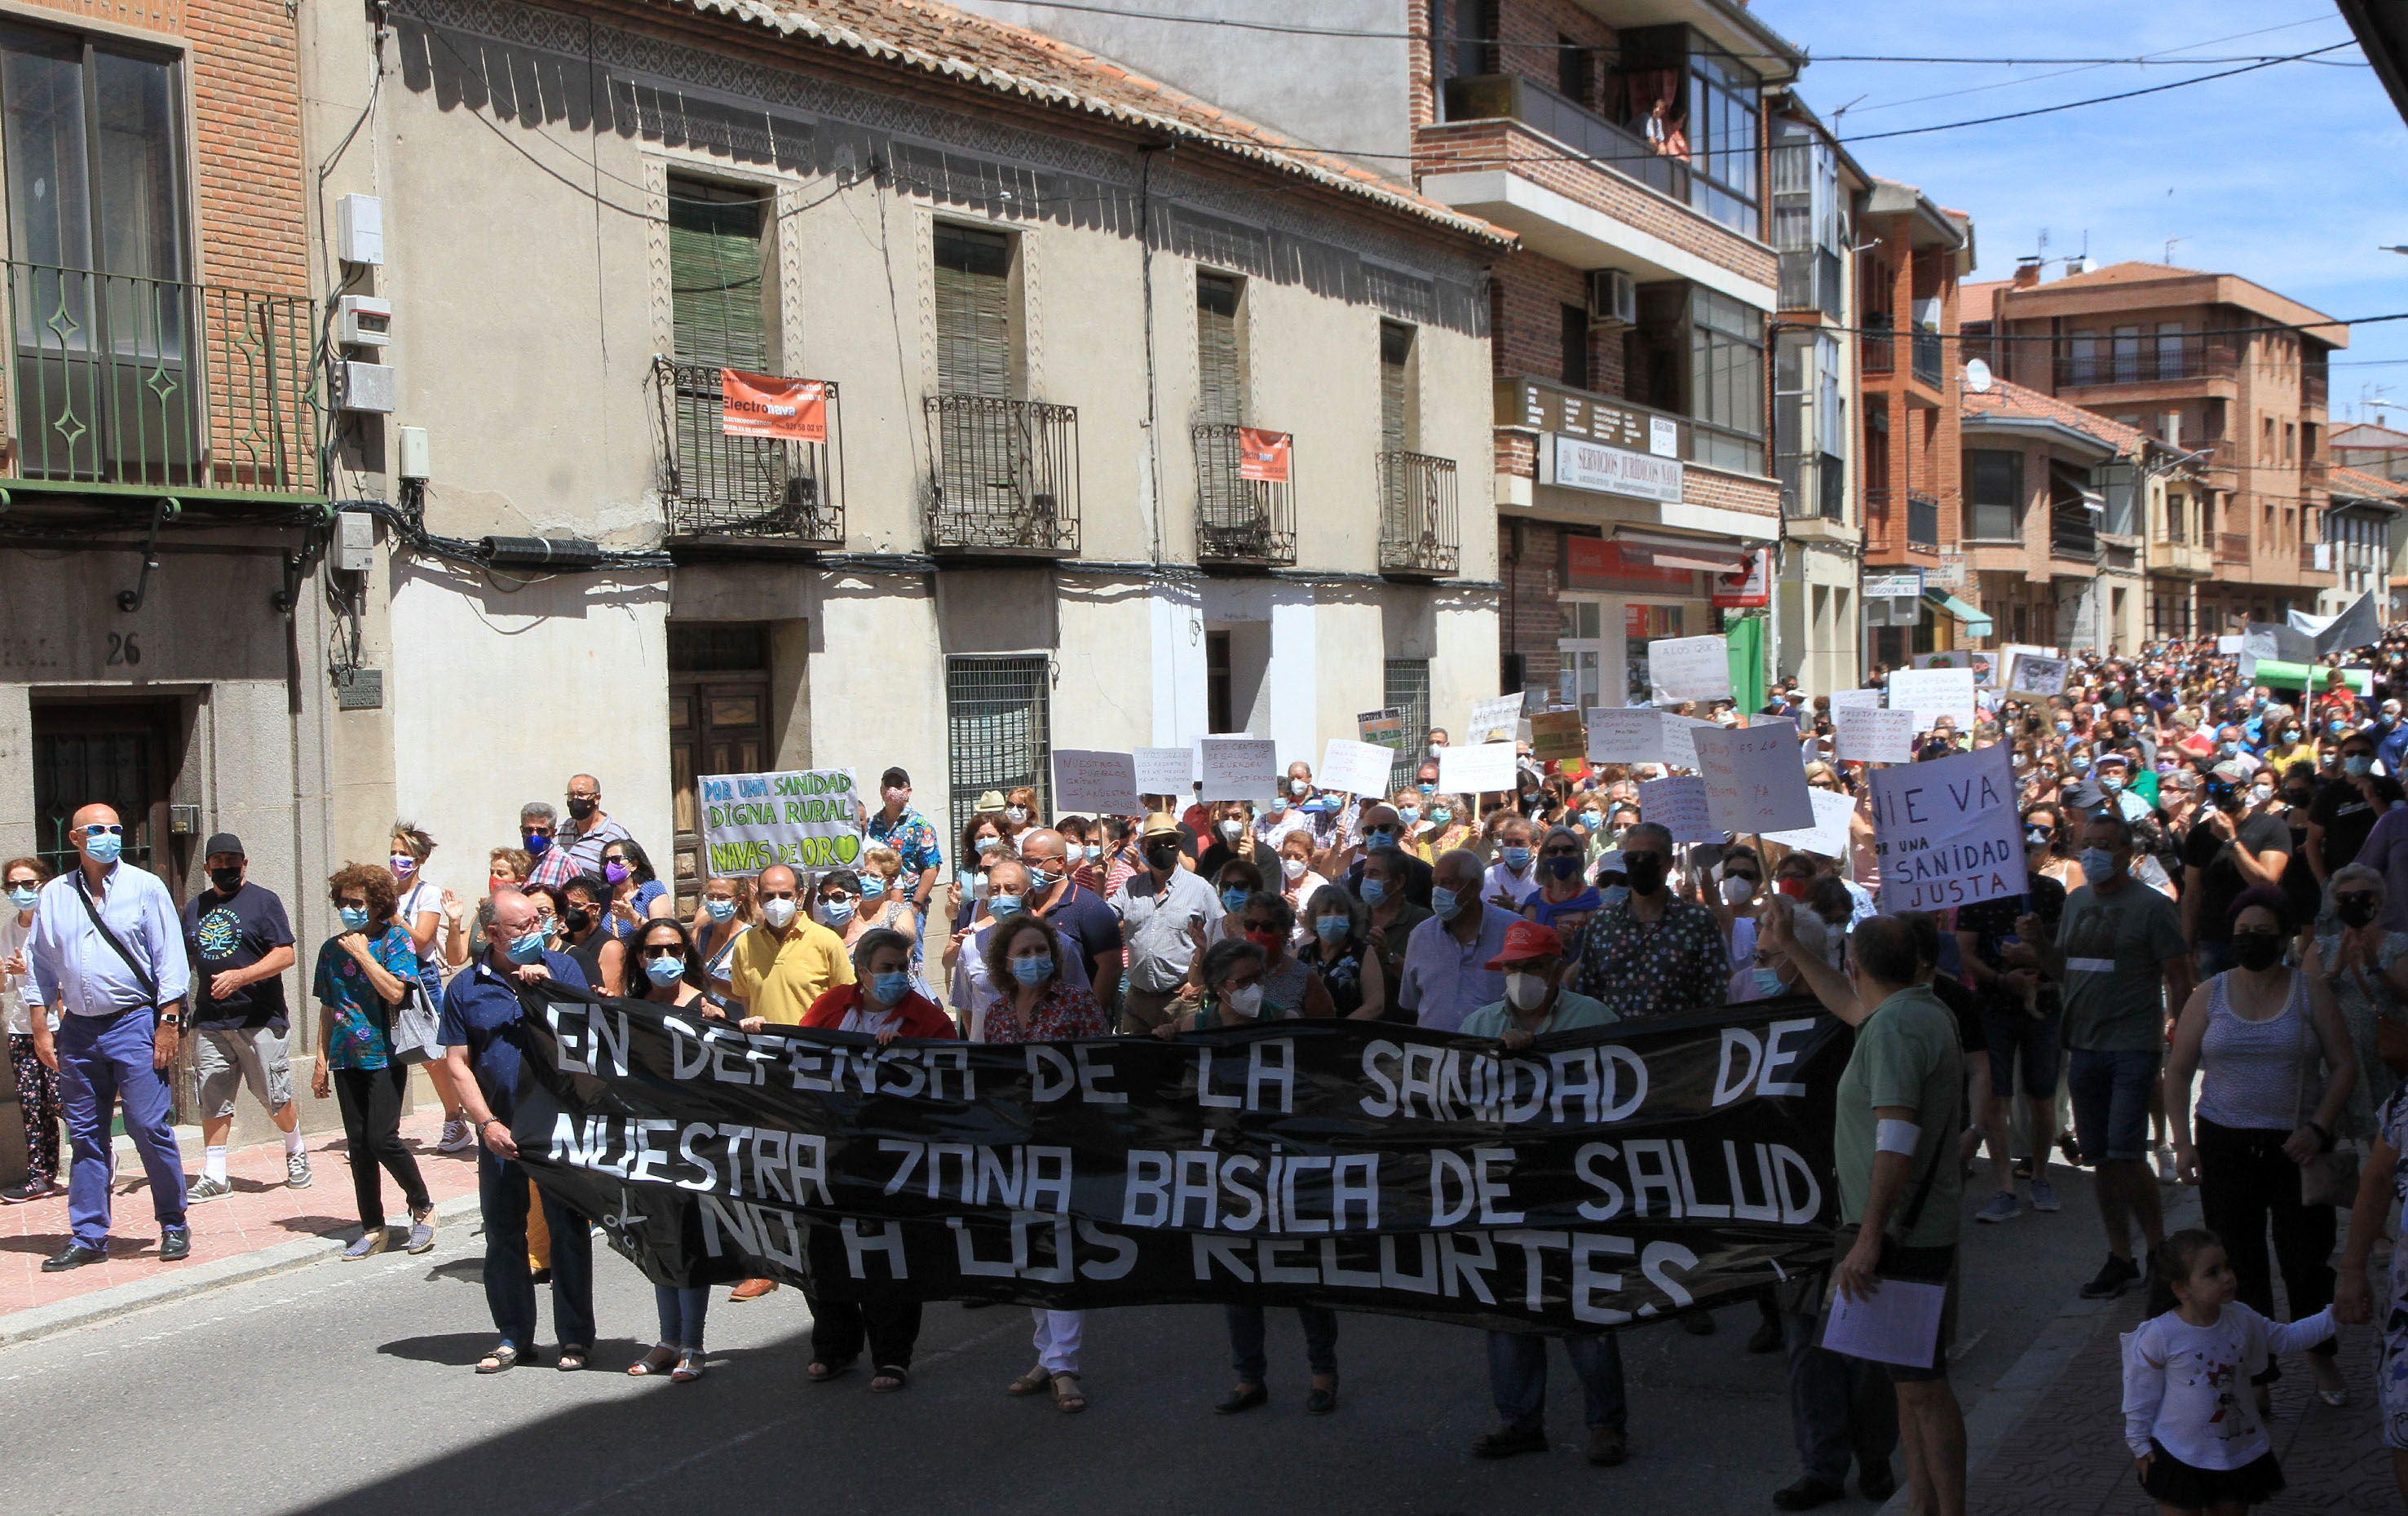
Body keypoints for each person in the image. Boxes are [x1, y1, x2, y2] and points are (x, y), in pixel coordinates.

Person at [2163, 887, 2352, 1407]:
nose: (2250, 942)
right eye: (2241, 933)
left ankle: (2320, 1355)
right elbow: (2178, 1071)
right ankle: (2256, 1373)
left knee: (2307, 1261)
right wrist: (2182, 1142)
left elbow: (2343, 1066)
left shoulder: (2310, 992)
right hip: (2224, 1143)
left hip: (2298, 1147)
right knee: (2234, 1265)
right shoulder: (2209, 994)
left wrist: (2318, 1127)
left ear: (2285, 937)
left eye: (2262, 933)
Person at [1460, 919, 1628, 1466]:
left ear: (1557, 969)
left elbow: (1626, 1091)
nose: (1521, 976)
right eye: (1512, 967)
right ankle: (1519, 1421)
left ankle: (1605, 1424)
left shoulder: (1594, 1020)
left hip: (1577, 1185)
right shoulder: (1478, 1025)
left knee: (1583, 1308)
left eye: (1532, 967)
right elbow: (1458, 1099)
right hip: (1504, 1188)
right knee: (1509, 1309)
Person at [1160, 935, 1343, 1416]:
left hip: (1285, 1165)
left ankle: (1322, 1372)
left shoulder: (1285, 1024)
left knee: (1305, 1273)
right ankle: (1248, 1378)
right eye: (1242, 981)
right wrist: (1162, 1047)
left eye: (1257, 978)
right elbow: (1176, 1099)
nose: (1253, 988)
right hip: (1228, 1168)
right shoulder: (1193, 1027)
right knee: (1238, 1276)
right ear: (1219, 989)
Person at [1825, 915, 1966, 1516]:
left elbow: (1895, 1134)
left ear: (1855, 966)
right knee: (1907, 1386)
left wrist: (1869, 1236)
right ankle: (1922, 1506)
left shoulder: (1895, 1028)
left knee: (1923, 1389)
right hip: (1902, 1229)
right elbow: (1849, 1006)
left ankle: (1950, 1507)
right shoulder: (1914, 1009)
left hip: (1898, 1234)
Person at [2024, 811, 2195, 1301]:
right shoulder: (2075, 904)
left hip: (2133, 1045)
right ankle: (2121, 1256)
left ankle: (2161, 1255)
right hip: (2084, 1045)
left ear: (2126, 853)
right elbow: (2063, 970)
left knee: (2125, 1150)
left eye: (2104, 843)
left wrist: (2182, 1033)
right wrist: (2038, 943)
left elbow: (2179, 976)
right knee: (2101, 1157)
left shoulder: (2152, 906)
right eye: (2087, 843)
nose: (2094, 852)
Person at [24, 803, 192, 1271]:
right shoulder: (55, 894)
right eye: (98, 830)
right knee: (85, 1135)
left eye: (115, 829)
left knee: (147, 1125)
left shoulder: (146, 887)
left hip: (135, 1021)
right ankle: (89, 1234)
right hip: (78, 1029)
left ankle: (173, 1223)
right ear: (76, 839)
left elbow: (170, 958)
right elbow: (39, 964)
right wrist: (42, 1026)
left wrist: (169, 1021)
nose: (109, 836)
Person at [440, 889, 594, 1372]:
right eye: (521, 926)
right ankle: (512, 1335)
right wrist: (485, 1124)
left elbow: (588, 1038)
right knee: (504, 1233)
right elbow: (457, 1064)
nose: (536, 932)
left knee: (567, 1231)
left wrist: (546, 990)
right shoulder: (465, 988)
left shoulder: (563, 969)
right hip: (502, 1131)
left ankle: (574, 1337)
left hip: (557, 1127)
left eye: (538, 921)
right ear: (491, 936)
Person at [797, 927, 954, 1390]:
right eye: (885, 968)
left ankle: (892, 1355)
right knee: (826, 1248)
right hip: (831, 1150)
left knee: (890, 1253)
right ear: (861, 971)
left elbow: (951, 1074)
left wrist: (908, 1056)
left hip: (895, 1157)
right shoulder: (831, 1008)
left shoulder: (926, 1019)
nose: (895, 976)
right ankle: (834, 1347)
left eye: (901, 968)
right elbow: (799, 1052)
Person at [979, 914, 1107, 1412]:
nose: (1035, 961)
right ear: (1005, 961)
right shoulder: (995, 1013)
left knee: (1062, 1248)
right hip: (1015, 1144)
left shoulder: (1075, 1002)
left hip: (1066, 1141)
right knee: (1031, 1249)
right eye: (1024, 953)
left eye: (1041, 951)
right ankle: (1046, 1356)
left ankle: (1066, 1366)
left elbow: (1102, 1064)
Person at [2126, 1229, 2337, 1512]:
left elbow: (2287, 1337)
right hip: (2177, 1453)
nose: (2227, 1277)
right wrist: (2139, 1443)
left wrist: (2335, 1315)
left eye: (2227, 1267)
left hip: (2233, 1453)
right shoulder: (2161, 1334)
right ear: (2181, 1288)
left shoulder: (2242, 1319)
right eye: (2212, 1273)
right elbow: (2141, 1392)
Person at [722, 862, 855, 1301]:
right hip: (767, 1074)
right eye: (766, 895)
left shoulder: (826, 942)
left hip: (817, 1073)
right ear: (755, 898)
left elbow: (848, 1005)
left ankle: (827, 1257)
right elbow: (745, 1000)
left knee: (818, 1170)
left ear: (800, 896)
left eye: (784, 894)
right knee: (768, 1170)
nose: (775, 902)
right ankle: (770, 1264)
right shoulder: (745, 945)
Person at [168, 833, 308, 1200]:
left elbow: (285, 955)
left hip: (261, 1018)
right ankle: (216, 1174)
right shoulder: (195, 908)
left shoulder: (264, 902)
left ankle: (295, 1148)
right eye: (219, 861)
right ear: (206, 867)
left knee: (273, 1097)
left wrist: (242, 976)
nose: (226, 867)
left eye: (233, 860)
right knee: (212, 1097)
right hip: (211, 1020)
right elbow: (183, 960)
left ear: (245, 864)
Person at [311, 863, 435, 1258]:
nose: (349, 909)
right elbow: (328, 1008)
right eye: (344, 902)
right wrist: (319, 1061)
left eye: (358, 902)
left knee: (383, 1138)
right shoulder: (331, 949)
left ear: (378, 905)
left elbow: (396, 992)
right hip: (346, 1055)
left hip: (385, 1053)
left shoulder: (396, 940)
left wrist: (364, 955)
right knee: (359, 1145)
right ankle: (373, 1226)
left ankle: (423, 1206)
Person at [624, 917, 727, 1382]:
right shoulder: (629, 1009)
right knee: (656, 1238)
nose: (663, 958)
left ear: (685, 952)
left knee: (688, 1241)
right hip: (646, 1140)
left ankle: (694, 1344)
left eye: (672, 949)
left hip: (695, 1144)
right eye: (652, 951)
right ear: (640, 958)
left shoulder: (708, 1005)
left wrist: (730, 1025)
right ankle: (667, 1339)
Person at [1955, 811, 2070, 1222]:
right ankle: (2004, 1186)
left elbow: (2062, 954)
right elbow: (1966, 952)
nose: (2026, 850)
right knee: (1996, 1097)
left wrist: (2036, 953)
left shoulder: (2053, 892)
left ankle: (2040, 1174)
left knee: (2042, 1096)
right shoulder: (1977, 894)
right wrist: (2004, 980)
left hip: (2043, 1007)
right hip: (1994, 1009)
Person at [1571, 823, 1728, 1019]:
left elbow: (1714, 996)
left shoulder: (1698, 922)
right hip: (1616, 1045)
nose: (1641, 864)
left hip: (1681, 1044)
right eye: (1632, 858)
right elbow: (1589, 994)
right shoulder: (1602, 924)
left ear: (1669, 863)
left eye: (1650, 858)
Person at [391, 822, 475, 1152]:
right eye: (394, 853)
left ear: (421, 858)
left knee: (434, 1055)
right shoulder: (385, 891)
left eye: (405, 854)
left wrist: (394, 917)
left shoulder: (427, 894)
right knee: (389, 1051)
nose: (397, 860)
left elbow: (422, 939)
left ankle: (455, 1117)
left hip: (418, 978)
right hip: (386, 975)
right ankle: (385, 1125)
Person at [1110, 812, 1224, 1034]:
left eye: (1169, 842)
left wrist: (1200, 982)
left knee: (1182, 1065)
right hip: (1137, 1000)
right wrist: (1101, 879)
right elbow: (1104, 918)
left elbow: (1219, 938)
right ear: (1143, 849)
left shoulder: (1200, 889)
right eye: (1154, 843)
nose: (1163, 847)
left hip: (1181, 1001)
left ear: (1179, 846)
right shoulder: (1129, 887)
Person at [2317, 862, 2408, 1137]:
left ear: (2378, 902)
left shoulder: (2400, 944)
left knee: (2387, 1141)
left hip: (2385, 1059)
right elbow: (2307, 1000)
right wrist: (2335, 970)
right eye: (2345, 898)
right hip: (2338, 1061)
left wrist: (2377, 967)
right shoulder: (2323, 947)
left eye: (2363, 896)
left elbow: (2405, 994)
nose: (2354, 903)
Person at [2185, 765, 2291, 975]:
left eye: (2226, 787)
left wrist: (2231, 841)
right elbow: (2192, 894)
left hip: (2260, 935)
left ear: (2245, 789)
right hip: (2214, 939)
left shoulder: (2271, 827)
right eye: (2212, 787)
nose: (2218, 793)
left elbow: (2266, 883)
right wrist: (2187, 945)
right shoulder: (2199, 834)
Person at [1395, 851, 1518, 1033]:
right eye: (1435, 883)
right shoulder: (1421, 936)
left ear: (1474, 887)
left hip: (1493, 1055)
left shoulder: (1514, 931)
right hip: (1435, 1054)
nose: (1438, 891)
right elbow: (1411, 1001)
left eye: (1448, 883)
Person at [1, 857, 60, 1202]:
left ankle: (97, 1153)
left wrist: (29, 970)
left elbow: (66, 979)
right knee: (31, 1106)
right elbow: (5, 986)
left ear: (43, 884)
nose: (21, 892)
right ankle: (40, 1175)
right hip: (22, 1028)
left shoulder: (53, 925)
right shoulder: (9, 929)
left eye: (28, 884)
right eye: (13, 886)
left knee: (60, 1099)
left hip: (56, 1026)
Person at [1018, 828, 1124, 1009]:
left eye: (1035, 862)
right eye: (1024, 862)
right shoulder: (1021, 906)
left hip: (1074, 1021)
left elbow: (1111, 967)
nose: (1029, 869)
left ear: (1060, 862)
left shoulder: (1090, 907)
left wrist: (1091, 1015)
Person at [524, 774, 634, 891]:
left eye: (581, 795)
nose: (575, 800)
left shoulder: (615, 836)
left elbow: (629, 878)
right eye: (571, 795)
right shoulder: (560, 831)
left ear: (597, 798)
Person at [1359, 846, 1431, 1023]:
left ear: (1398, 882)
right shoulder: (1352, 915)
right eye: (1365, 873)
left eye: (1374, 873)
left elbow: (1426, 982)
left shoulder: (1423, 922)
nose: (1366, 879)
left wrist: (1388, 955)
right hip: (1356, 1023)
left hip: (1401, 1026)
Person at [2309, 727, 2388, 887]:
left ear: (2373, 755)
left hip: (2384, 878)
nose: (2357, 757)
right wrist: (2324, 884)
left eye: (2363, 753)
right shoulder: (2329, 794)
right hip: (2342, 881)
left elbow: (2398, 828)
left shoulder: (2390, 787)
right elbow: (2312, 841)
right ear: (2342, 757)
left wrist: (2374, 799)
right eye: (2350, 753)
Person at [864, 766, 943, 921]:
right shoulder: (871, 825)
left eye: (898, 785)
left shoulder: (920, 826)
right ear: (881, 790)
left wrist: (916, 904)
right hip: (876, 905)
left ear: (908, 792)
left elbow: (932, 867)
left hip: (907, 903)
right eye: (888, 784)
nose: (892, 789)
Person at [1300, 884, 1385, 1020]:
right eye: (1326, 912)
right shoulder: (1301, 955)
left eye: (1340, 912)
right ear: (1313, 920)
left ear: (1349, 918)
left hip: (1349, 1035)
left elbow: (1375, 1005)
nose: (1333, 917)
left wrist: (1338, 1031)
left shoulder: (1363, 952)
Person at [1343, 804, 1435, 908]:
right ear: (1364, 834)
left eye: (1384, 828)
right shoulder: (1356, 874)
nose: (1377, 834)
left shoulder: (1423, 872)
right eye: (1370, 830)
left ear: (1400, 832)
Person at [558, 874, 627, 997]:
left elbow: (613, 997)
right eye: (566, 906)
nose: (570, 911)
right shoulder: (561, 940)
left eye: (576, 906)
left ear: (595, 909)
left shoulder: (610, 947)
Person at [690, 875, 754, 1001]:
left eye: (722, 897)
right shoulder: (700, 935)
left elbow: (749, 995)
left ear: (739, 900)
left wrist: (711, 980)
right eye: (710, 897)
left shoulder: (749, 938)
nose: (715, 902)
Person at [596, 838, 673, 939]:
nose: (610, 865)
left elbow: (663, 932)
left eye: (616, 859)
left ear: (633, 865)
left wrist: (635, 919)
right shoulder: (603, 896)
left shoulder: (652, 889)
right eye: (606, 861)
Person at [1483, 815, 1539, 910]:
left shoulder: (1546, 874)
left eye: (1519, 843)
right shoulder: (1490, 874)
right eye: (1508, 843)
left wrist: (1515, 908)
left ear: (1535, 845)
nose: (1512, 847)